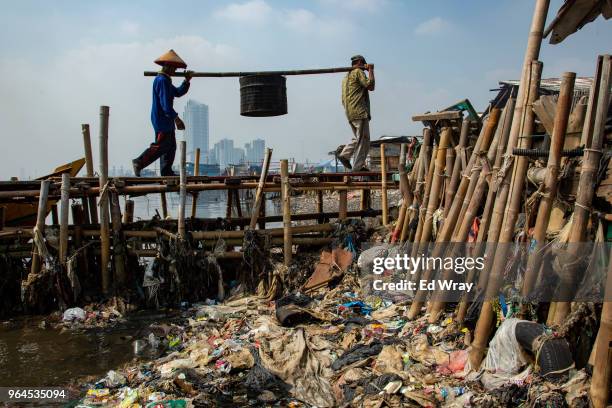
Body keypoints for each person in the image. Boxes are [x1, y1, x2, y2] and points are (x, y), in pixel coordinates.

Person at [133, 49, 192, 177]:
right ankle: (139, 162)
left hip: (166, 119)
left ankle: (166, 171)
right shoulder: (161, 80)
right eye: (174, 68)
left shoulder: (166, 80)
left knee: (171, 146)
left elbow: (178, 92)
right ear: (168, 67)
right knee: (161, 146)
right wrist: (177, 119)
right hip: (162, 119)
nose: (175, 71)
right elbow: (165, 105)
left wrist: (186, 81)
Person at [338, 54, 375, 171]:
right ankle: (357, 168)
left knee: (358, 137)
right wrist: (370, 70)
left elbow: (343, 99)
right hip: (359, 111)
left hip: (350, 112)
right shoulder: (358, 72)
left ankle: (345, 154)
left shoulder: (345, 77)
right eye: (363, 63)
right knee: (364, 141)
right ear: (359, 62)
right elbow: (370, 86)